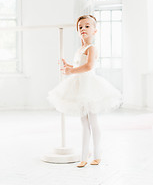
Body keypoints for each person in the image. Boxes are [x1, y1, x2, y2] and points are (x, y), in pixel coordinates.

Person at [47, 15, 123, 168]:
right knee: (83, 122)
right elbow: (78, 65)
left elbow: (88, 67)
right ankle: (83, 156)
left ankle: (97, 155)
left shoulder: (91, 48)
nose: (83, 29)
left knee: (93, 121)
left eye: (87, 26)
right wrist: (68, 66)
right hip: (79, 86)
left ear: (94, 30)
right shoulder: (80, 49)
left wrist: (72, 70)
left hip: (89, 87)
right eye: (80, 27)